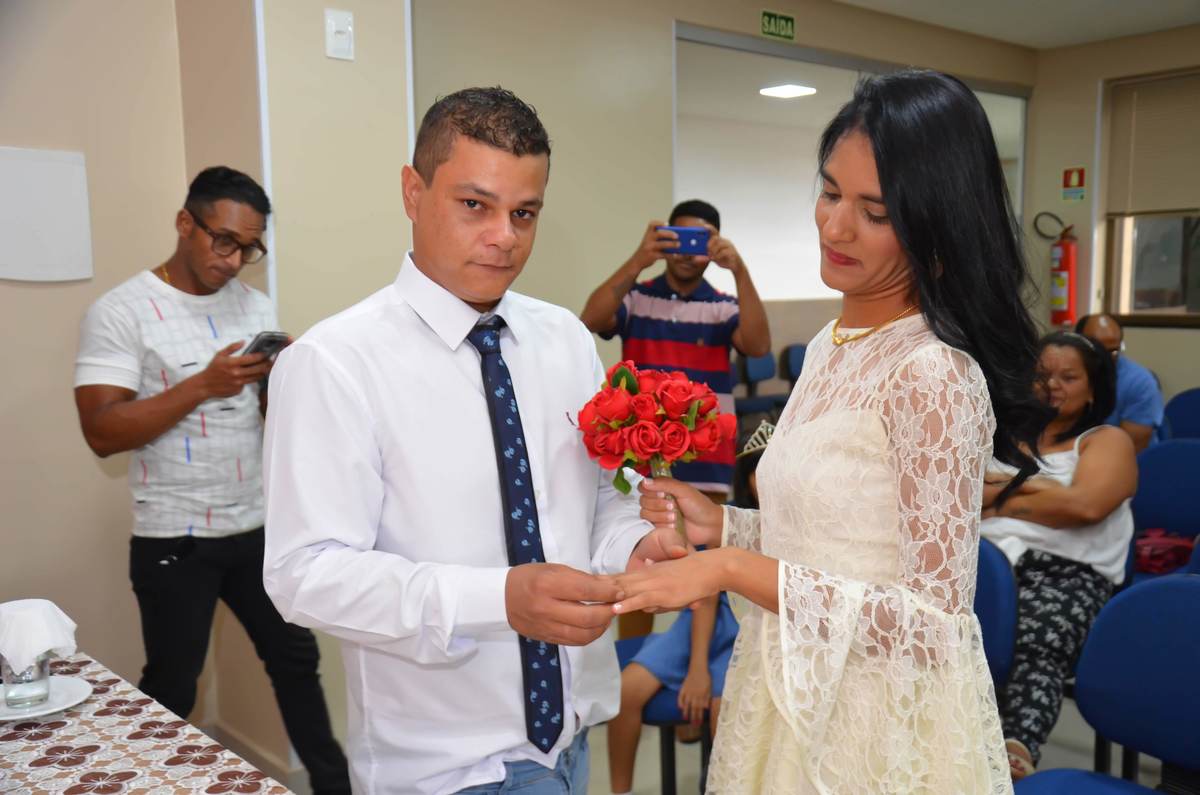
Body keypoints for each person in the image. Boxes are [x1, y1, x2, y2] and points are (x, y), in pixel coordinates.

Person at [609, 70, 1056, 793]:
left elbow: (933, 624)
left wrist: (729, 569)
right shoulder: (831, 343)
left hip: (872, 723)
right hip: (788, 684)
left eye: (874, 212)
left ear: (936, 226)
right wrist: (726, 527)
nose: (835, 227)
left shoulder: (931, 373)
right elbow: (835, 543)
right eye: (829, 192)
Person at [260, 87, 689, 795]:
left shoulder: (565, 339)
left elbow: (597, 502)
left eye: (524, 213)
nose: (504, 236)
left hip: (571, 737)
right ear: (413, 191)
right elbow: (304, 574)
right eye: (474, 205)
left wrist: (630, 544)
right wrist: (497, 598)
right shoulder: (335, 363)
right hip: (444, 768)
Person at [73, 167, 350, 794]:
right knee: (172, 688)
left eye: (248, 247)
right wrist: (204, 384)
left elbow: (265, 418)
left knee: (297, 662)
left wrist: (279, 380)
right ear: (184, 223)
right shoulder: (120, 311)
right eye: (223, 240)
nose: (232, 260)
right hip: (175, 538)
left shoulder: (253, 305)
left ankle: (335, 789)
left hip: (257, 526)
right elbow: (102, 431)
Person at [981, 331, 1136, 780]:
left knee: (1038, 631)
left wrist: (1002, 497)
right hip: (987, 562)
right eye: (1042, 375)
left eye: (1069, 377)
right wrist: (1046, 492)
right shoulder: (1004, 436)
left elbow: (1085, 506)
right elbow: (964, 495)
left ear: (1093, 390)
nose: (1052, 385)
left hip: (1068, 572)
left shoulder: (1105, 440)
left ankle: (1016, 746)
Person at [605, 424, 769, 795]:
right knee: (627, 691)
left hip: (750, 623)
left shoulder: (798, 519)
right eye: (757, 470)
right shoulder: (729, 517)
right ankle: (620, 790)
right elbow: (705, 599)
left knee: (725, 705)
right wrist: (696, 669)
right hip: (706, 615)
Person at [580, 200, 771, 500]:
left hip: (707, 459)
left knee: (707, 532)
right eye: (679, 239)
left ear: (714, 247)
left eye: (698, 242)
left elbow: (758, 347)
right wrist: (639, 260)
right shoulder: (638, 298)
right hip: (642, 454)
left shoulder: (722, 307)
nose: (686, 253)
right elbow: (589, 320)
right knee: (638, 529)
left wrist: (739, 270)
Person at [1076, 313, 1163, 451]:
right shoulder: (1061, 376)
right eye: (1097, 350)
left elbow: (1129, 448)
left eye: (1113, 351)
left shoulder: (1140, 382)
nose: (1104, 358)